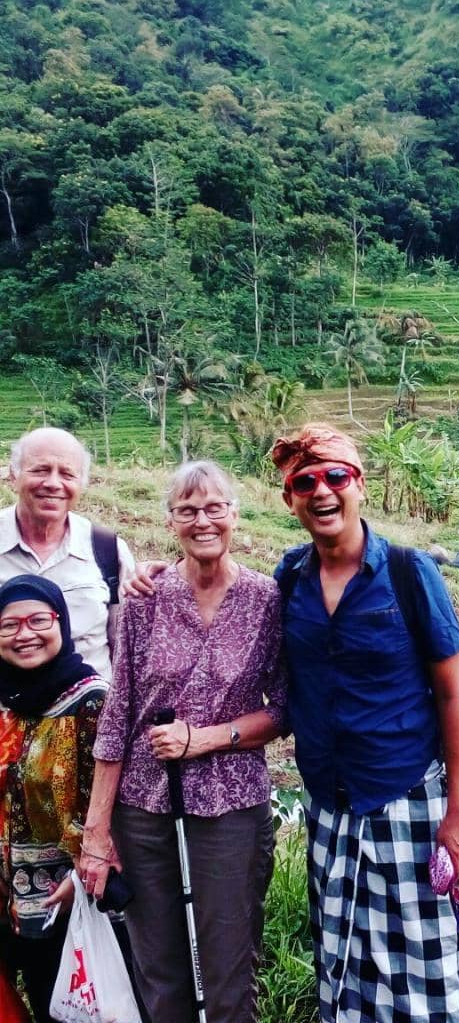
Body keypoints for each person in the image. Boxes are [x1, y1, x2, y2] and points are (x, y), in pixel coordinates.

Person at [270, 423, 459, 1023]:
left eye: (335, 476)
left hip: (408, 797)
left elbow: (451, 694)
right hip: (330, 805)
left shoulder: (412, 574)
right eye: (303, 482)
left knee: (425, 962)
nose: (321, 491)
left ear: (359, 485)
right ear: (290, 500)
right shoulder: (290, 580)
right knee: (343, 956)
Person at [79, 461, 287, 1023]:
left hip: (230, 806)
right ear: (170, 521)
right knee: (161, 968)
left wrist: (205, 739)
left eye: (214, 507)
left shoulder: (266, 599)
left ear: (235, 516)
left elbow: (283, 710)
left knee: (227, 964)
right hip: (143, 806)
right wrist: (97, 831)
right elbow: (119, 712)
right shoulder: (145, 597)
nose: (202, 520)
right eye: (187, 509)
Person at [0, 575, 107, 1022]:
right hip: (7, 899)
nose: (25, 635)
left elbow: (114, 800)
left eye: (38, 619)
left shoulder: (91, 700)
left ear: (61, 623)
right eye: (8, 626)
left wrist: (83, 875)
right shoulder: (4, 700)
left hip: (68, 899)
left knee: (70, 1010)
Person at [1, 428, 134, 681]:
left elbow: (126, 648)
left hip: (89, 713)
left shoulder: (107, 549)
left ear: (81, 484)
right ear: (13, 475)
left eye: (67, 473)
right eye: (40, 470)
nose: (52, 483)